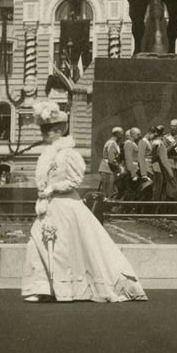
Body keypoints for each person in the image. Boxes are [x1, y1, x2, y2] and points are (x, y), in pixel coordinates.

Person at [21, 101, 147, 303]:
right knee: (39, 244)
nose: (46, 134)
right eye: (44, 129)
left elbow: (74, 180)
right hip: (49, 206)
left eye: (51, 130)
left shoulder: (68, 154)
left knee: (62, 248)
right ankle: (42, 287)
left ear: (61, 130)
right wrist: (44, 193)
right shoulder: (46, 154)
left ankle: (64, 288)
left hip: (66, 205)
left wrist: (52, 188)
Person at [161, 119, 177, 207]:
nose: (173, 128)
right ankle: (168, 212)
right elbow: (163, 152)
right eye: (171, 126)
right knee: (170, 188)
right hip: (170, 164)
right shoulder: (165, 138)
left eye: (175, 126)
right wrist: (172, 146)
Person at [99, 127, 125, 200]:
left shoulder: (112, 142)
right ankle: (105, 209)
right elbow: (112, 160)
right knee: (108, 192)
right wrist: (120, 168)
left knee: (109, 191)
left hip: (108, 169)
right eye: (121, 133)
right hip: (108, 169)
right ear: (117, 134)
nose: (122, 135)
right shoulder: (112, 143)